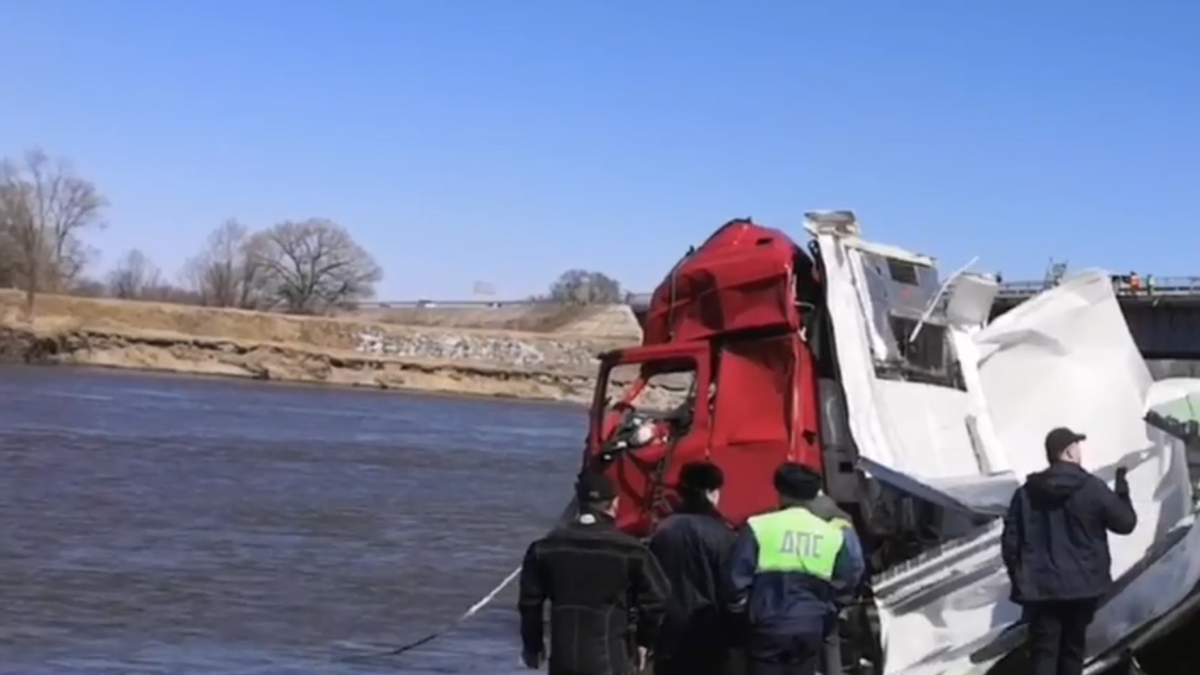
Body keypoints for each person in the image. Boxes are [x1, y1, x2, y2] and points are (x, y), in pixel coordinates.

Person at [1001, 427, 1138, 675]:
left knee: (1044, 654)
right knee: (1073, 653)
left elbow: (1010, 545)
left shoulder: (1025, 494)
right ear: (1068, 452)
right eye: (1076, 446)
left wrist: (1022, 580)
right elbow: (1126, 523)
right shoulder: (1091, 488)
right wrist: (1122, 491)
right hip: (1083, 588)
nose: (1080, 451)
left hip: (1041, 591)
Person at [518, 471, 670, 675]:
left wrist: (533, 645)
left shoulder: (543, 548)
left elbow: (530, 603)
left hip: (563, 659)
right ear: (614, 504)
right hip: (610, 658)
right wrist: (644, 641)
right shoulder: (632, 551)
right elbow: (658, 599)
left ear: (578, 502)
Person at [726, 462, 866, 675]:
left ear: (781, 492)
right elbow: (850, 575)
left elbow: (736, 583)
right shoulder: (834, 533)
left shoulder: (758, 526)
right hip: (811, 626)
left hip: (768, 626)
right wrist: (829, 608)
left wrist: (740, 616)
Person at [648, 461, 741, 675]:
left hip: (670, 631)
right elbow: (731, 587)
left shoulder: (663, 530)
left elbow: (652, 584)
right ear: (711, 493)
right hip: (711, 630)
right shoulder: (723, 534)